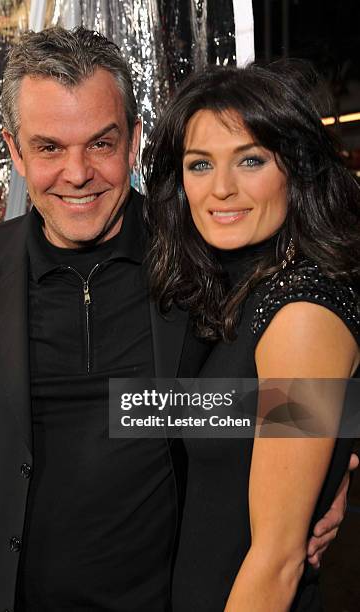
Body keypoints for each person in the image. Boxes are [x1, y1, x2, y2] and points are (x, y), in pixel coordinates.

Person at [0, 27, 354, 612]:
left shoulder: (203, 255)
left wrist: (328, 476)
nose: (77, 174)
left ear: (133, 142)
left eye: (100, 143)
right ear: (15, 152)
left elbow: (295, 381)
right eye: (49, 148)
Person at [143, 61, 360, 611]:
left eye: (251, 160)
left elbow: (278, 560)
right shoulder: (235, 294)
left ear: (299, 168)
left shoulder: (303, 316)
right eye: (199, 164)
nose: (221, 188)